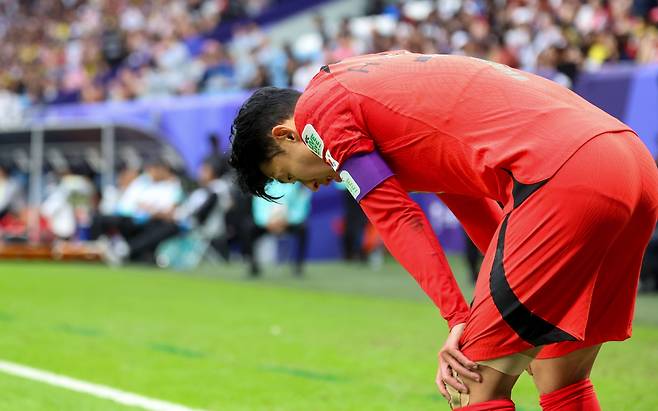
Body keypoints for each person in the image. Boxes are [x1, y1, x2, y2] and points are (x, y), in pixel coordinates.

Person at [229, 51, 658, 411]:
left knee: (470, 381)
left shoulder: (317, 113)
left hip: (566, 175)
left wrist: (460, 319)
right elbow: (466, 195)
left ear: (287, 133)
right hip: (631, 164)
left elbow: (396, 217)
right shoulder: (374, 81)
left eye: (289, 176)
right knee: (558, 373)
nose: (312, 185)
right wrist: (506, 307)